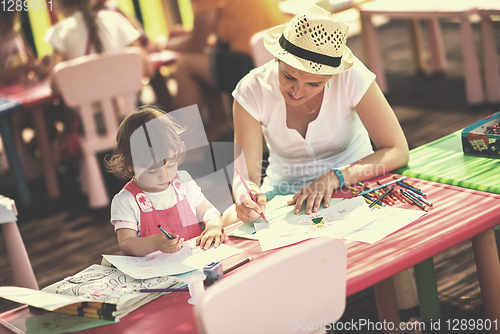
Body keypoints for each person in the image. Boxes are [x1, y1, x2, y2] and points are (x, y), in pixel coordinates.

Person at [223, 5, 409, 225]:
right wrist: (247, 195)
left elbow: (397, 150)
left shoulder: (351, 75)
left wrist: (334, 178)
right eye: (289, 77)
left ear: (332, 76)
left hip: (354, 181)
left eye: (314, 83)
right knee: (229, 219)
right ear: (277, 59)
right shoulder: (252, 88)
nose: (297, 92)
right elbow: (246, 177)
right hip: (286, 193)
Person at [105, 105, 225, 256]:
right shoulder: (126, 201)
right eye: (153, 170)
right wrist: (154, 243)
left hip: (197, 259)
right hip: (158, 272)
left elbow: (208, 211)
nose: (165, 176)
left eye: (171, 164)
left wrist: (213, 227)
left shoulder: (183, 181)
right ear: (129, 164)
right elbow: (127, 244)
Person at [162, 0, 288, 141]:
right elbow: (214, 37)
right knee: (204, 58)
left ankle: (190, 145)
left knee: (185, 64)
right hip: (278, 54)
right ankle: (219, 123)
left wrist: (162, 45)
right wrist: (190, 35)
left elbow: (196, 42)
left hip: (257, 65)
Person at [45, 0, 153, 80]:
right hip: (131, 107)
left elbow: (56, 84)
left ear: (59, 5)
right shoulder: (115, 20)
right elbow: (148, 69)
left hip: (85, 109)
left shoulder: (60, 32)